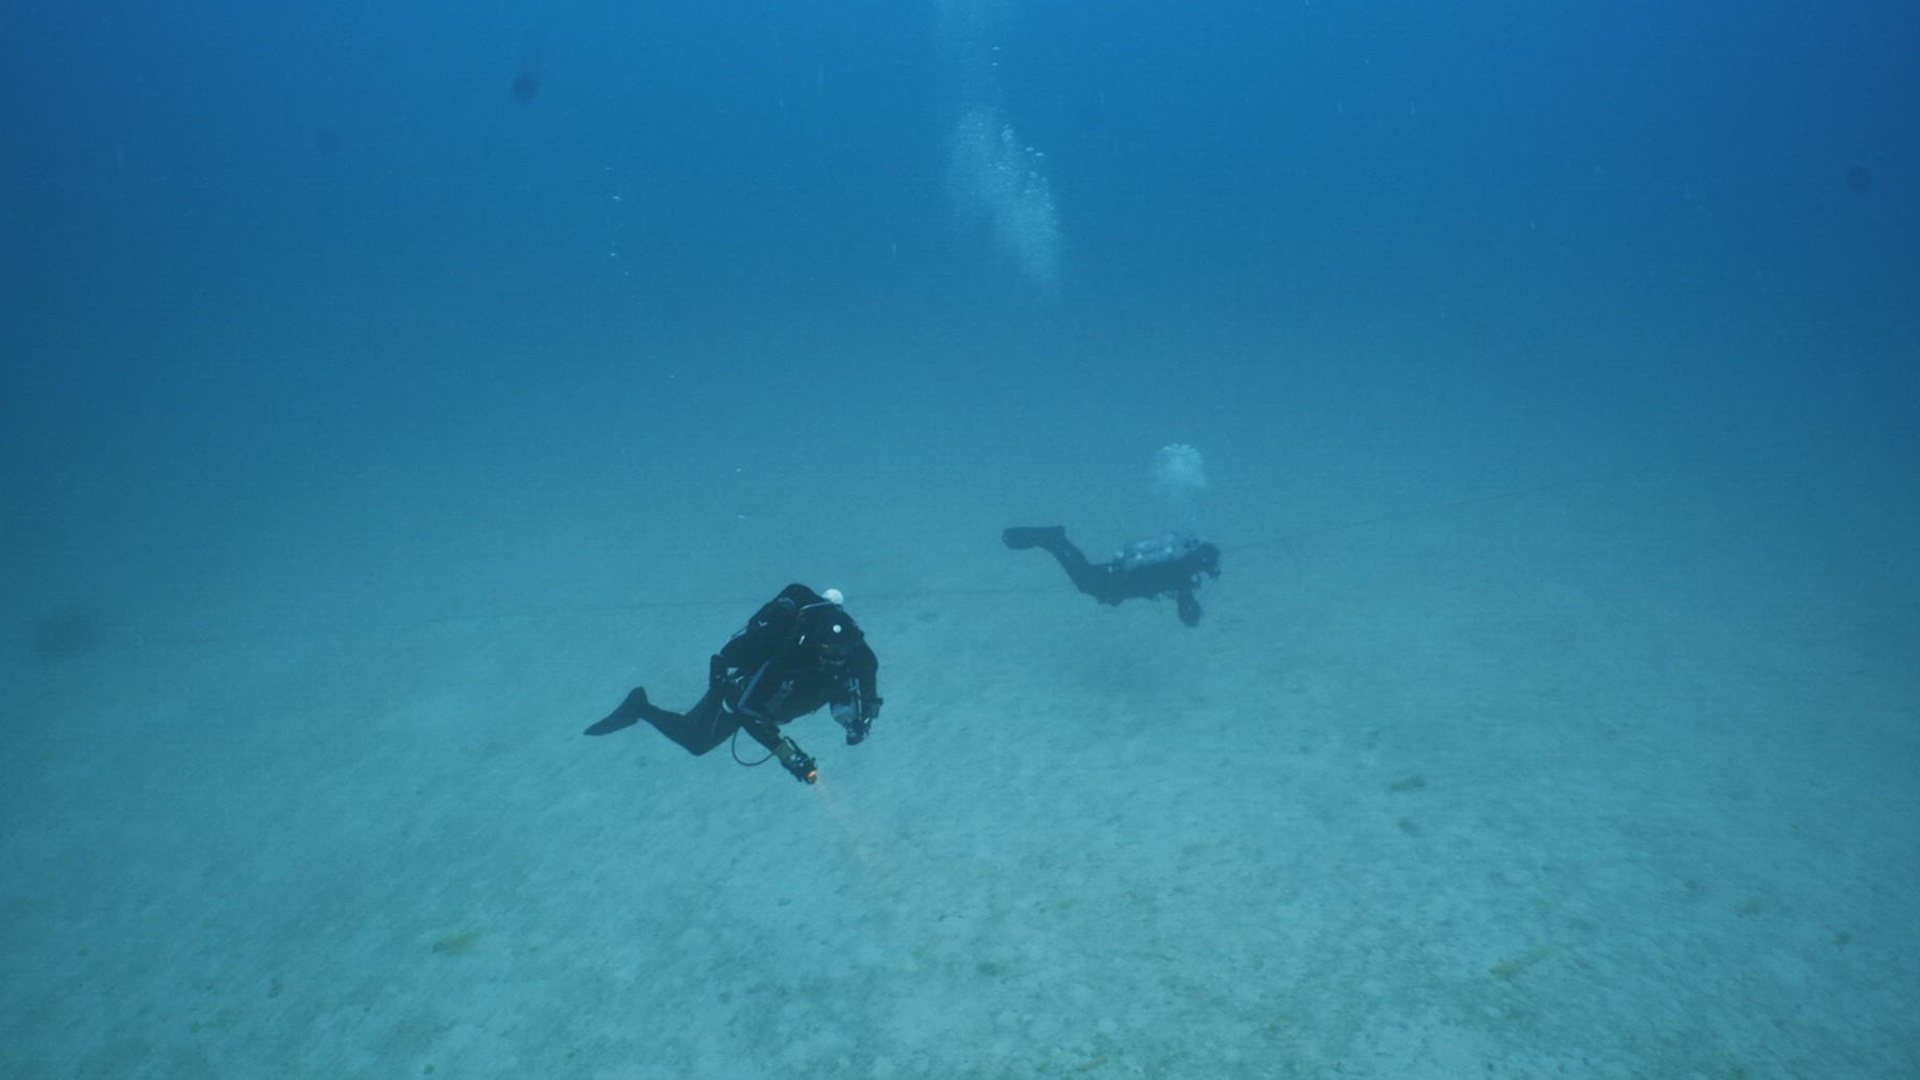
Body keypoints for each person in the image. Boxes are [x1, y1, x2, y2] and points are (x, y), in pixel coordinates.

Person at [586, 583, 881, 784]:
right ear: (816, 643)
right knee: (697, 741)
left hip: (778, 698)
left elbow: (867, 686)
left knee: (838, 678)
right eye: (830, 651)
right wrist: (789, 757)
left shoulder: (857, 654)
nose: (839, 657)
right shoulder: (784, 659)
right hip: (735, 685)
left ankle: (641, 707)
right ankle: (639, 707)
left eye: (844, 650)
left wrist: (862, 720)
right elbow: (748, 713)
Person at [1003, 526, 1222, 627]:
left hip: (1117, 574)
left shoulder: (1179, 570)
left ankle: (1056, 539)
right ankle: (1051, 540)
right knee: (1083, 581)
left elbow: (1180, 601)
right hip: (1116, 581)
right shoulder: (1181, 575)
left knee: (1084, 571)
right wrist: (1116, 592)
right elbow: (1187, 615)